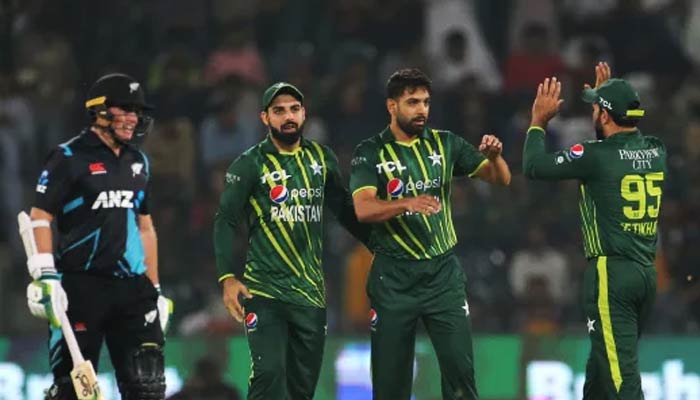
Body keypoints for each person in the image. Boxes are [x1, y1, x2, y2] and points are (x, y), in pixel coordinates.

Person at [349, 68, 511, 400]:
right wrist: (406, 203)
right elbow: (363, 209)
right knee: (390, 386)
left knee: (461, 377)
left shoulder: (445, 143)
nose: (422, 109)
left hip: (442, 276)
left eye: (425, 102)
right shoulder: (371, 152)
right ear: (392, 106)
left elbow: (501, 179)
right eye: (412, 102)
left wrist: (495, 159)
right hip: (393, 278)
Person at [213, 82, 368, 400]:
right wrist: (228, 277)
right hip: (264, 291)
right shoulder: (249, 164)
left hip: (309, 293)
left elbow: (343, 210)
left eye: (294, 109)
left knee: (301, 388)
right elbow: (226, 220)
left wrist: (383, 244)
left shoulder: (321, 159)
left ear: (304, 114)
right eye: (279, 110)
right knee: (268, 376)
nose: (288, 116)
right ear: (264, 118)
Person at [24, 73, 173, 399]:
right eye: (127, 109)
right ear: (101, 111)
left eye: (138, 111)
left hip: (133, 289)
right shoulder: (68, 157)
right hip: (81, 285)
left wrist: (155, 287)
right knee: (73, 389)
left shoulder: (138, 161)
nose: (134, 118)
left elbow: (145, 227)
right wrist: (46, 275)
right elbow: (40, 216)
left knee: (148, 386)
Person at [522, 62, 666, 399]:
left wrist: (537, 123)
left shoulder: (595, 155)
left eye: (596, 109)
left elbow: (533, 166)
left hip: (610, 276)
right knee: (601, 373)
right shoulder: (657, 150)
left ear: (604, 117)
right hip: (645, 274)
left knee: (621, 380)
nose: (592, 113)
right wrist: (607, 99)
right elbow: (613, 155)